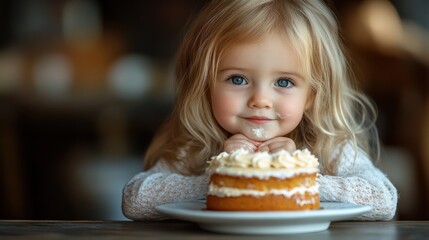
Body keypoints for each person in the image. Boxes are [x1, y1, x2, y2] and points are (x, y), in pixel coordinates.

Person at [122, 0, 398, 221]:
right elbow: (135, 200)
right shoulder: (196, 145)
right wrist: (226, 178)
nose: (260, 100)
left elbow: (384, 200)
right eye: (238, 79)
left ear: (312, 95)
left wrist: (289, 179)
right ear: (206, 85)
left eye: (284, 82)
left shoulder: (329, 146)